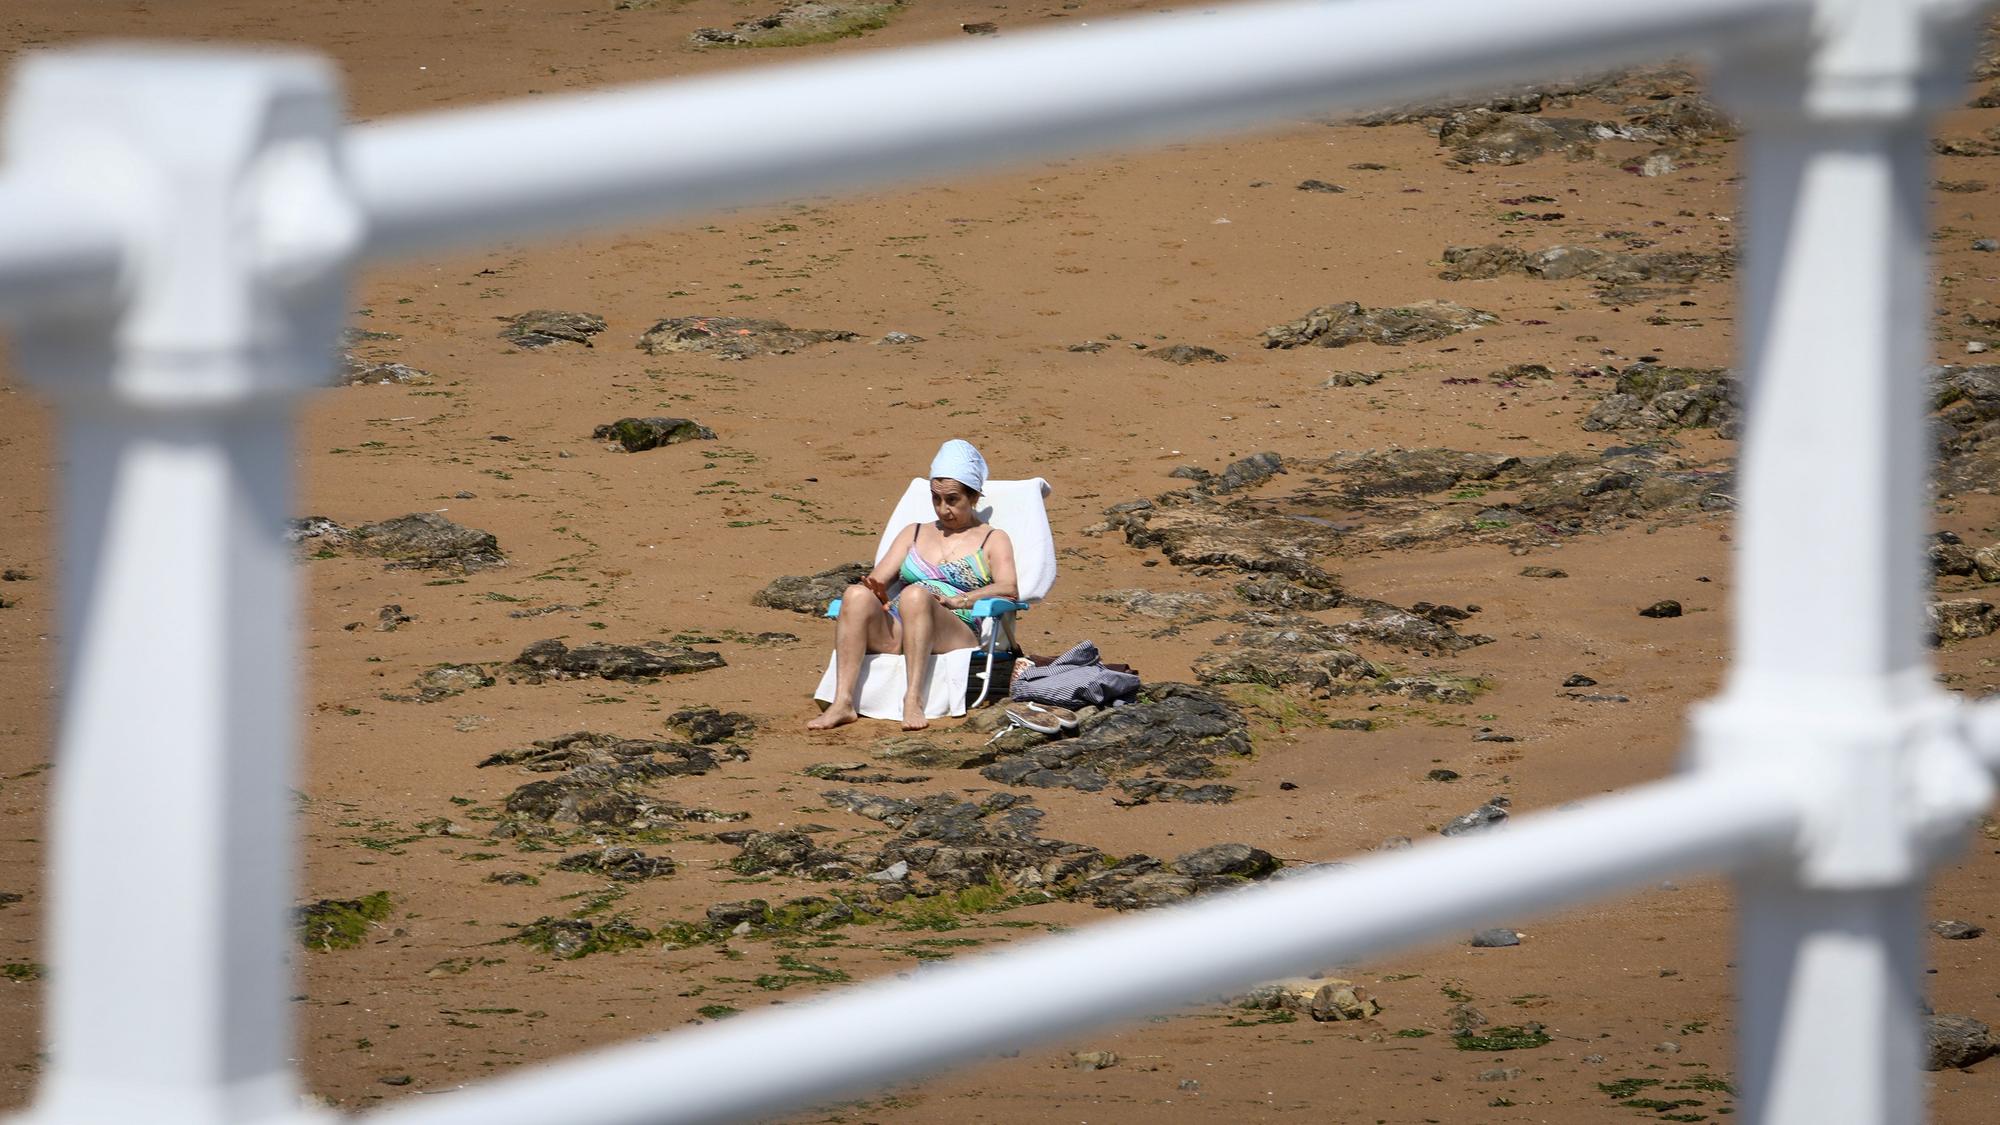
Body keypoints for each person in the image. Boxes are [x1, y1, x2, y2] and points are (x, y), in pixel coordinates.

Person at [808, 439, 1019, 731]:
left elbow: (1008, 588)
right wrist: (873, 590)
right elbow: (877, 580)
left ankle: (913, 699)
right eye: (936, 499)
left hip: (955, 627)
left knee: (916, 595)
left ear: (973, 497)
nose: (943, 509)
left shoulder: (992, 539)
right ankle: (842, 701)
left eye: (952, 499)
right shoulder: (915, 532)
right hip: (901, 623)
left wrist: (962, 600)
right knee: (855, 595)